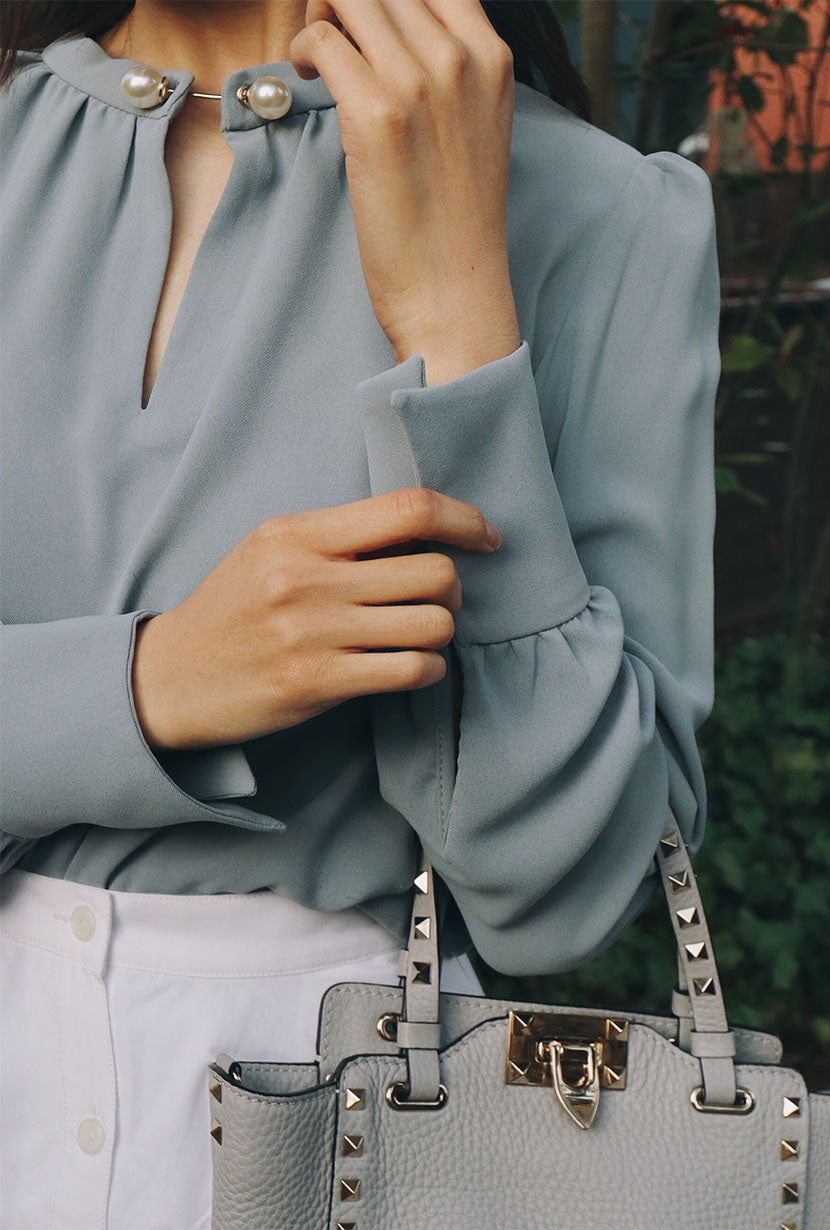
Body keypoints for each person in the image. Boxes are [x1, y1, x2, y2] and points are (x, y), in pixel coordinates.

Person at [0, 0, 722, 1226]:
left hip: (359, 1141)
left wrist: (454, 320)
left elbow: (564, 894)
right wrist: (147, 687)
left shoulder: (596, 210)